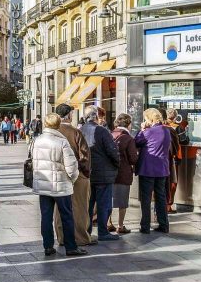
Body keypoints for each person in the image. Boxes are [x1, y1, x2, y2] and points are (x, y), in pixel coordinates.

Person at [32, 113, 87, 257]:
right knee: (67, 216)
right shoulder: (61, 142)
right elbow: (72, 166)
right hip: (61, 186)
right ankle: (70, 247)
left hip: (44, 185)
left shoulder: (37, 141)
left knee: (46, 216)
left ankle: (48, 246)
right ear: (57, 125)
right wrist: (72, 179)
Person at [53, 104, 95, 247]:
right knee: (79, 206)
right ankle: (80, 237)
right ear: (69, 115)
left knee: (59, 208)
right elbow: (84, 155)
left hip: (57, 175)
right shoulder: (75, 132)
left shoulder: (52, 132)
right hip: (76, 175)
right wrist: (85, 173)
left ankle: (62, 236)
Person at [81, 106, 121, 241]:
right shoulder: (102, 131)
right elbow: (113, 151)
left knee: (88, 204)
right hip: (103, 174)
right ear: (96, 117)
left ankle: (87, 230)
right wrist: (116, 164)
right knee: (104, 204)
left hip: (87, 173)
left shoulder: (80, 130)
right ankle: (103, 232)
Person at [135, 108, 172, 234]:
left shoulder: (148, 132)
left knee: (146, 198)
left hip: (147, 169)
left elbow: (137, 142)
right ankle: (164, 224)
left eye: (145, 118)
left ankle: (145, 226)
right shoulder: (167, 131)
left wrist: (142, 130)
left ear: (149, 119)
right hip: (162, 169)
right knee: (160, 197)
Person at [111, 113, 138, 234]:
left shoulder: (109, 135)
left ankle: (108, 223)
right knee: (122, 201)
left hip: (109, 174)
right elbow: (133, 159)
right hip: (123, 173)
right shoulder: (128, 138)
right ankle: (120, 225)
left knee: (109, 200)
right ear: (129, 124)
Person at [165, 108, 187, 213]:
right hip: (174, 158)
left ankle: (163, 205)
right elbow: (184, 140)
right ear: (175, 117)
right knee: (173, 182)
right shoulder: (177, 128)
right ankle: (168, 205)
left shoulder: (162, 126)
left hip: (163, 157)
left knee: (164, 182)